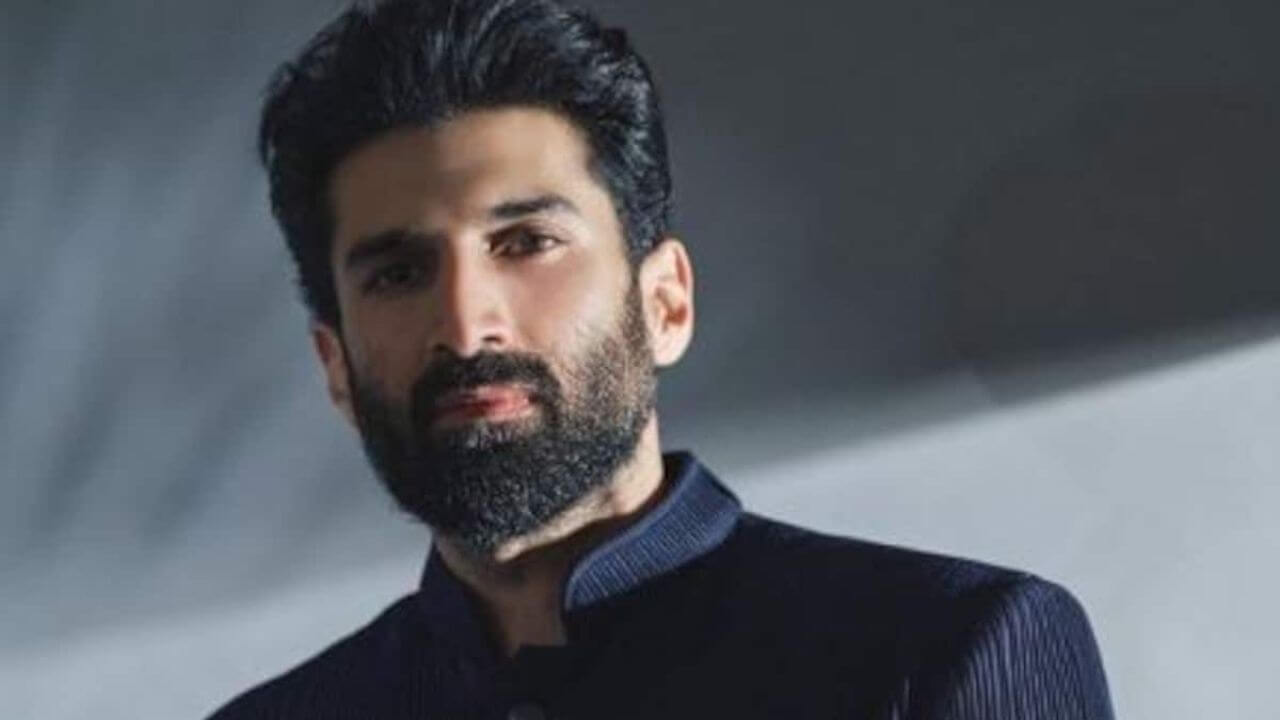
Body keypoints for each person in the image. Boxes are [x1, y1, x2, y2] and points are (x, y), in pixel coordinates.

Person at [209, 0, 1114, 717]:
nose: (466, 324)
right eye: (399, 274)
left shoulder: (943, 652)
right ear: (335, 365)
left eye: (526, 243)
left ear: (665, 304)